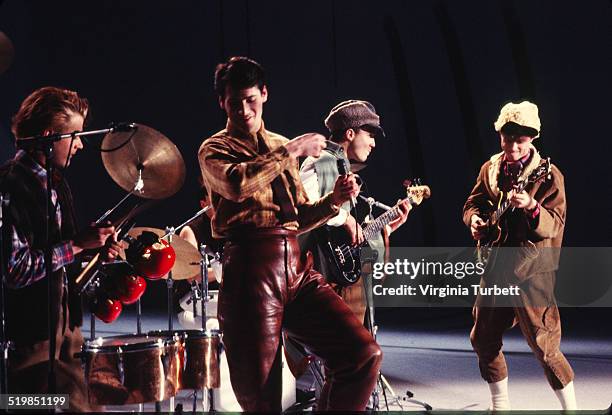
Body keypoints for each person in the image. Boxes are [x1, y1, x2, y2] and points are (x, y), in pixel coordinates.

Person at [198, 56, 382, 411]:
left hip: (295, 269)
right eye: (234, 102)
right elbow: (238, 185)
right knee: (262, 397)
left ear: (264, 94)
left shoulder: (280, 144)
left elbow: (298, 216)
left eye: (251, 99)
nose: (244, 110)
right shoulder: (214, 149)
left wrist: (334, 201)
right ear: (222, 102)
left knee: (362, 355)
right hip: (251, 272)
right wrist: (292, 150)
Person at [1, 87, 120, 412]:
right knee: (32, 406)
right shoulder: (10, 184)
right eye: (75, 135)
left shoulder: (57, 184)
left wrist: (93, 252)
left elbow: (59, 258)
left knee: (85, 406)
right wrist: (77, 244)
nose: (80, 144)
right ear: (49, 136)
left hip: (68, 332)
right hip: (31, 340)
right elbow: (15, 270)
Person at [463, 101, 576, 410]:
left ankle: (572, 409)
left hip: (531, 270)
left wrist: (531, 207)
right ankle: (501, 405)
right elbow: (473, 203)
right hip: (495, 266)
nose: (513, 145)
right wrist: (473, 219)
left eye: (520, 139)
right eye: (507, 137)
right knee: (482, 338)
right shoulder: (491, 169)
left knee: (544, 343)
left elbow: (554, 225)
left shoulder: (549, 175)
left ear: (533, 139)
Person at [299, 100, 411, 322]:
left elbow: (347, 239)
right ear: (350, 133)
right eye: (370, 135)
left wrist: (387, 228)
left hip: (347, 282)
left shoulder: (341, 166)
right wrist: (346, 219)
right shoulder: (319, 161)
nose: (373, 144)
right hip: (328, 284)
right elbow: (302, 210)